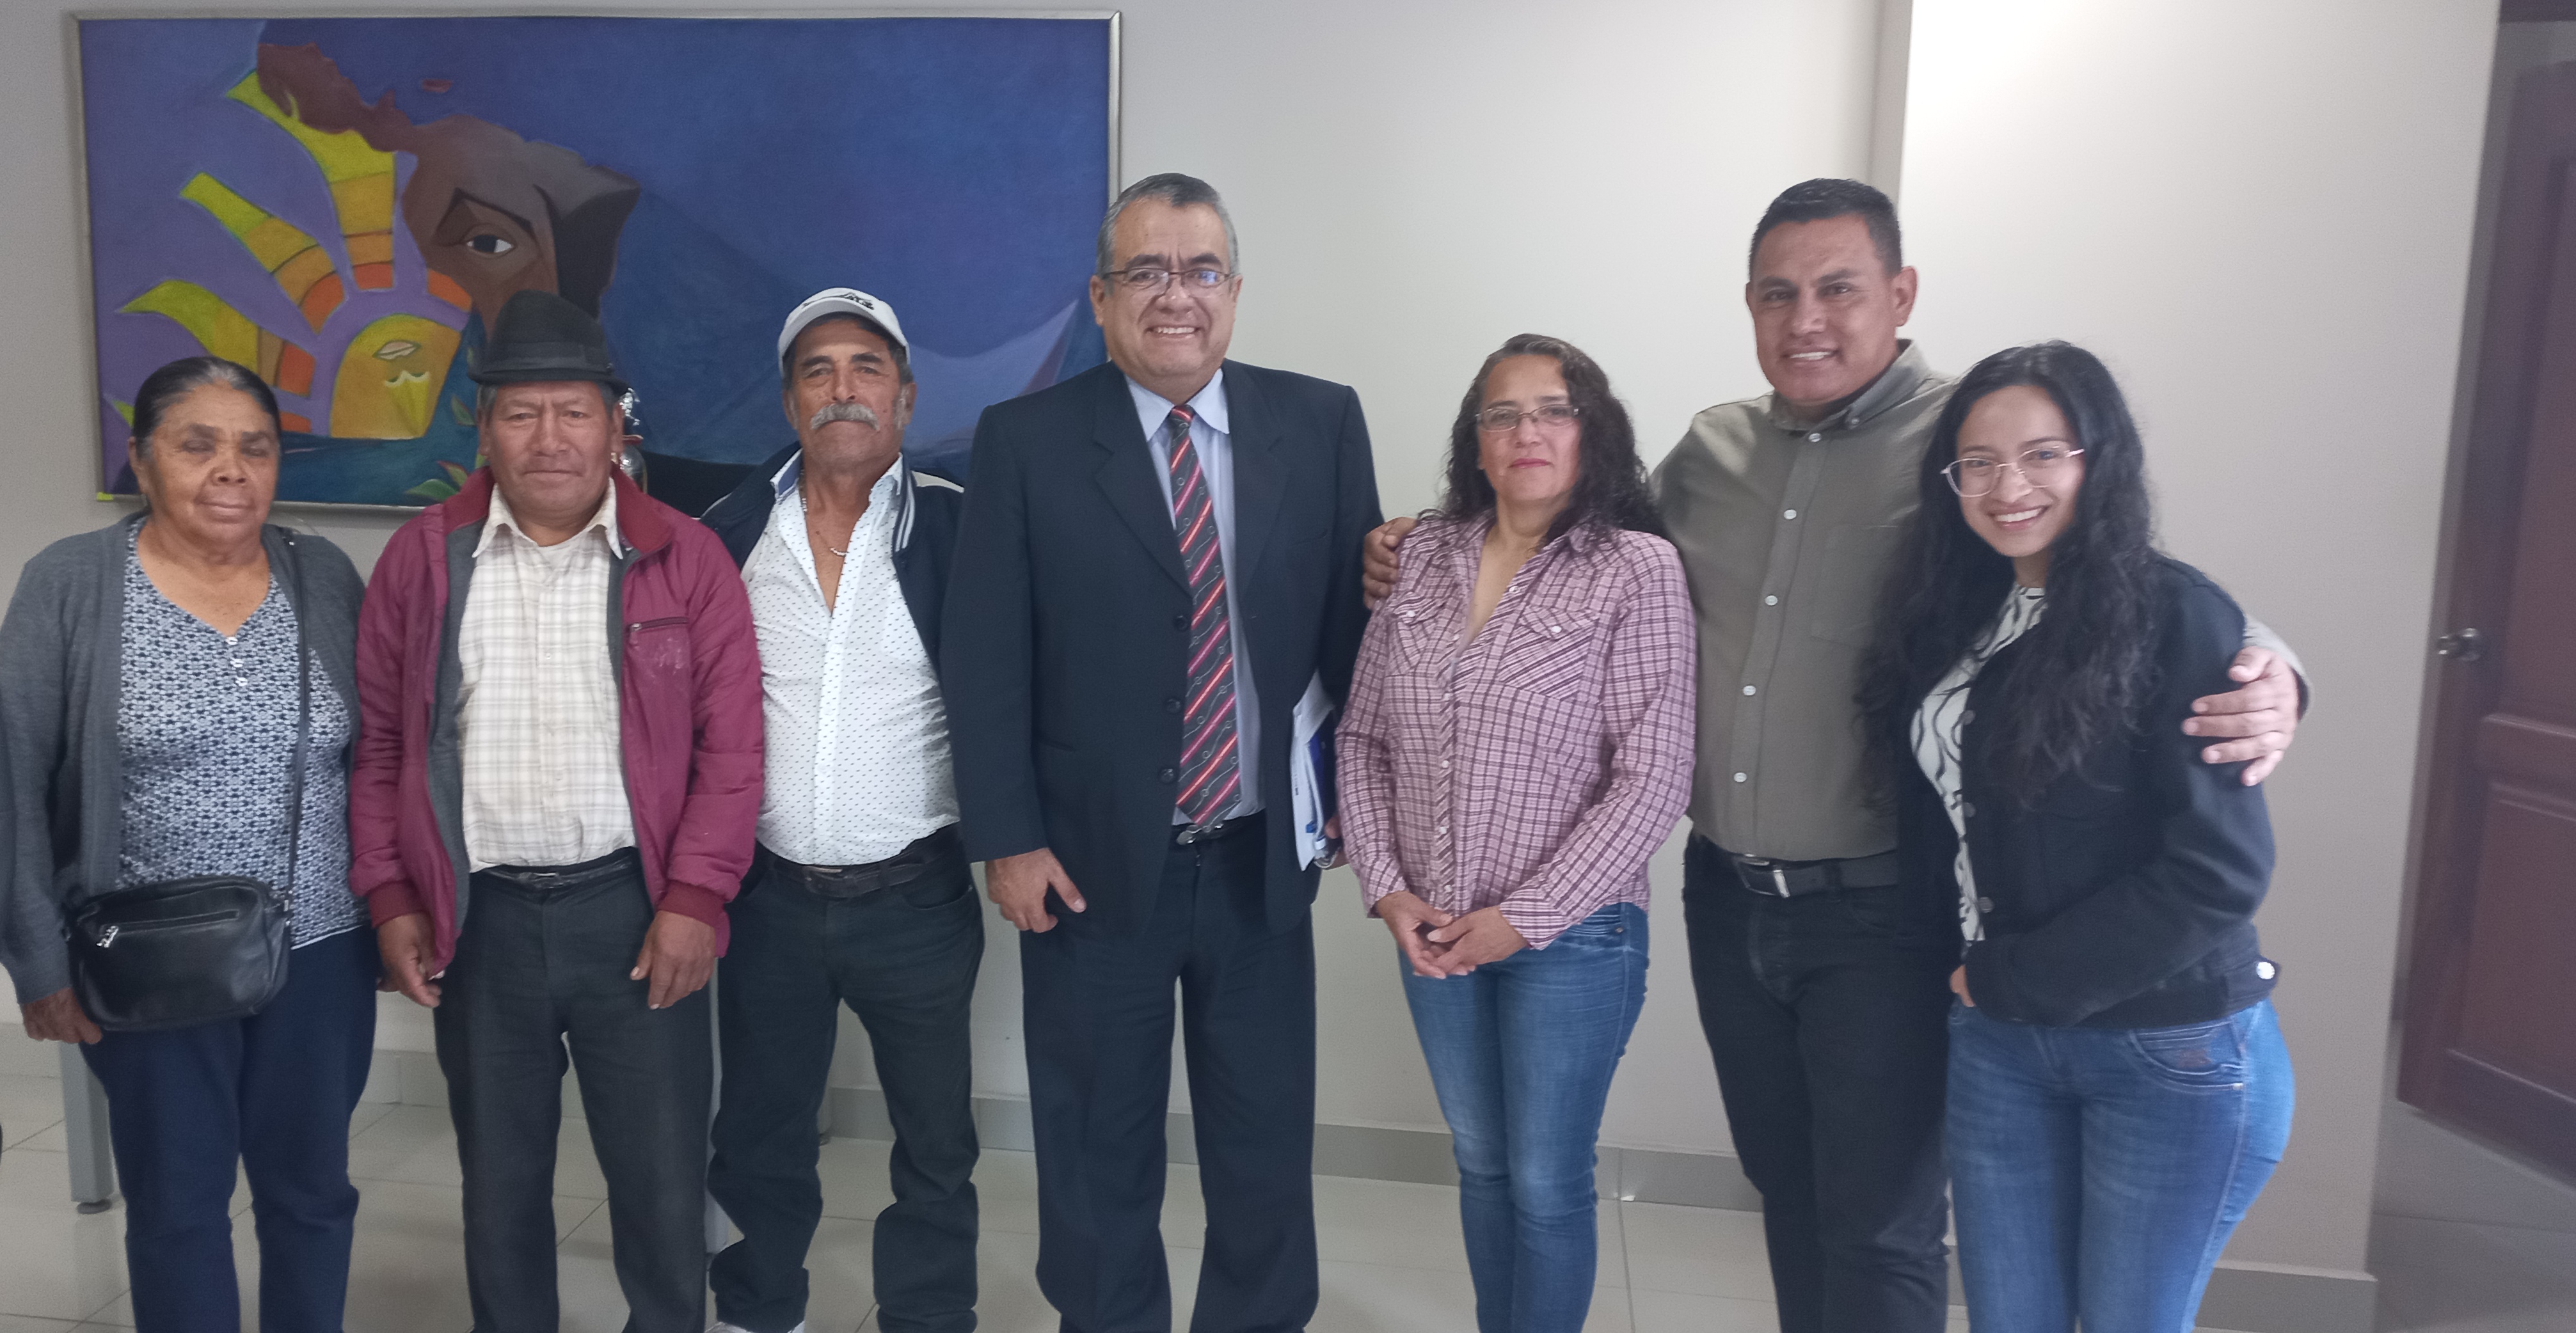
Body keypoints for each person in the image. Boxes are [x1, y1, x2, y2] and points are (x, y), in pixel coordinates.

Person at [1360, 178, 2307, 1333]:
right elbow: (1574, 545)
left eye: (1838, 289)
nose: (1805, 319)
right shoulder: (1710, 453)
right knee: (1789, 1191)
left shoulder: (1968, 445)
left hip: (1881, 908)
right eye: (1778, 294)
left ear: (1900, 293)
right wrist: (1416, 545)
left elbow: (2105, 574)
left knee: (1879, 1225)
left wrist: (2272, 664)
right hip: (1729, 897)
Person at [943, 172, 1383, 1333]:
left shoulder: (1321, 422)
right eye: (1144, 271)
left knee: (1263, 1145)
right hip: (1088, 868)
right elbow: (986, 657)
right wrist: (1007, 837)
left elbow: (1354, 634)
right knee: (1097, 1148)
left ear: (1234, 289)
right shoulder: (1027, 441)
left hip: (1258, 861)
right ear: (1100, 297)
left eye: (1199, 269)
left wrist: (1358, 800)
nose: (1174, 295)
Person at [349, 290, 763, 1333]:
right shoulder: (421, 561)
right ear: (485, 428)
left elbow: (732, 750)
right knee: (500, 1188)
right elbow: (383, 743)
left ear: (616, 427)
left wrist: (696, 899)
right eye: (522, 413)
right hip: (481, 920)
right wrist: (391, 894)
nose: (550, 438)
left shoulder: (686, 558)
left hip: (636, 914)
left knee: (661, 1185)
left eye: (574, 412)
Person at [1866, 341, 2292, 1333]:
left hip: (2166, 1050)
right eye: (1978, 463)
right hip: (2002, 1046)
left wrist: (2010, 980)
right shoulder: (1959, 613)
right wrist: (1977, 988)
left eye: (2042, 455)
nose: (2007, 486)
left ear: (2099, 460)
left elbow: (2220, 871)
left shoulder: (2175, 612)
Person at [0, 356, 378, 1333]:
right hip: (148, 959)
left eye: (256, 448)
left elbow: (377, 755)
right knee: (177, 1209)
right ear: (141, 460)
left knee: (313, 1194)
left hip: (318, 948)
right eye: (197, 445)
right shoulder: (72, 583)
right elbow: (4, 789)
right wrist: (38, 962)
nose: (230, 470)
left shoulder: (322, 574)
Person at [1335, 334, 1694, 1333]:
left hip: (1574, 941)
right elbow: (1362, 737)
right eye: (1503, 415)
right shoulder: (1421, 558)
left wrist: (1522, 919)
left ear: (1592, 432)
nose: (1526, 432)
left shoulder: (1637, 569)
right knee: (1482, 1163)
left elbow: (1654, 778)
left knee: (1545, 1178)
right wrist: (1387, 889)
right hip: (1432, 932)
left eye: (1553, 410)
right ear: (1477, 441)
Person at [698, 288, 979, 1333]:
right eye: (818, 370)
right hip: (768, 901)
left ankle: (929, 1317)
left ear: (905, 396)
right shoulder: (730, 533)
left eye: (867, 367)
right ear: (790, 402)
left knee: (935, 1145)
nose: (843, 388)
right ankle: (758, 1311)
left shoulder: (960, 525)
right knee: (758, 1136)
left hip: (917, 900)